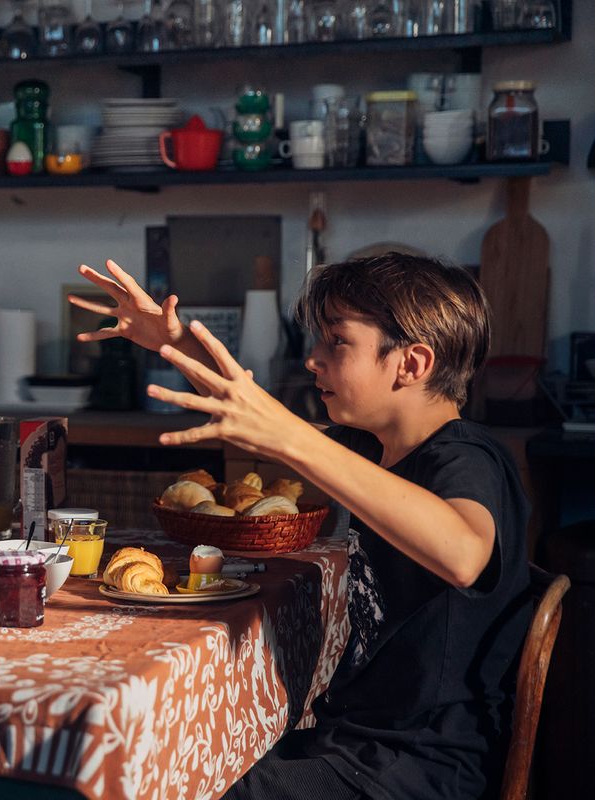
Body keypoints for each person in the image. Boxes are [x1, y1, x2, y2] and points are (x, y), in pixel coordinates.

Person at [70, 254, 531, 800]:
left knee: (181, 785)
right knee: (167, 758)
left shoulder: (467, 458)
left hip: (416, 768)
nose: (313, 358)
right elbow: (257, 418)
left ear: (411, 363)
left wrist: (293, 439)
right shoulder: (372, 448)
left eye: (337, 341)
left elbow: (465, 554)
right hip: (356, 743)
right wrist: (171, 343)